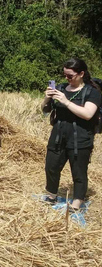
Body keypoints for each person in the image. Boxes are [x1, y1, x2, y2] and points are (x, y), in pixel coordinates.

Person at [41, 58, 101, 211]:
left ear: (81, 74)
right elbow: (44, 109)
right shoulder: (61, 88)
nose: (66, 78)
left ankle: (77, 203)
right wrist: (48, 97)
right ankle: (52, 194)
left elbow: (88, 114)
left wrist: (66, 101)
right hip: (58, 135)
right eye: (65, 75)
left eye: (70, 76)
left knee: (79, 172)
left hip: (80, 137)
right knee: (51, 166)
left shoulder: (92, 92)